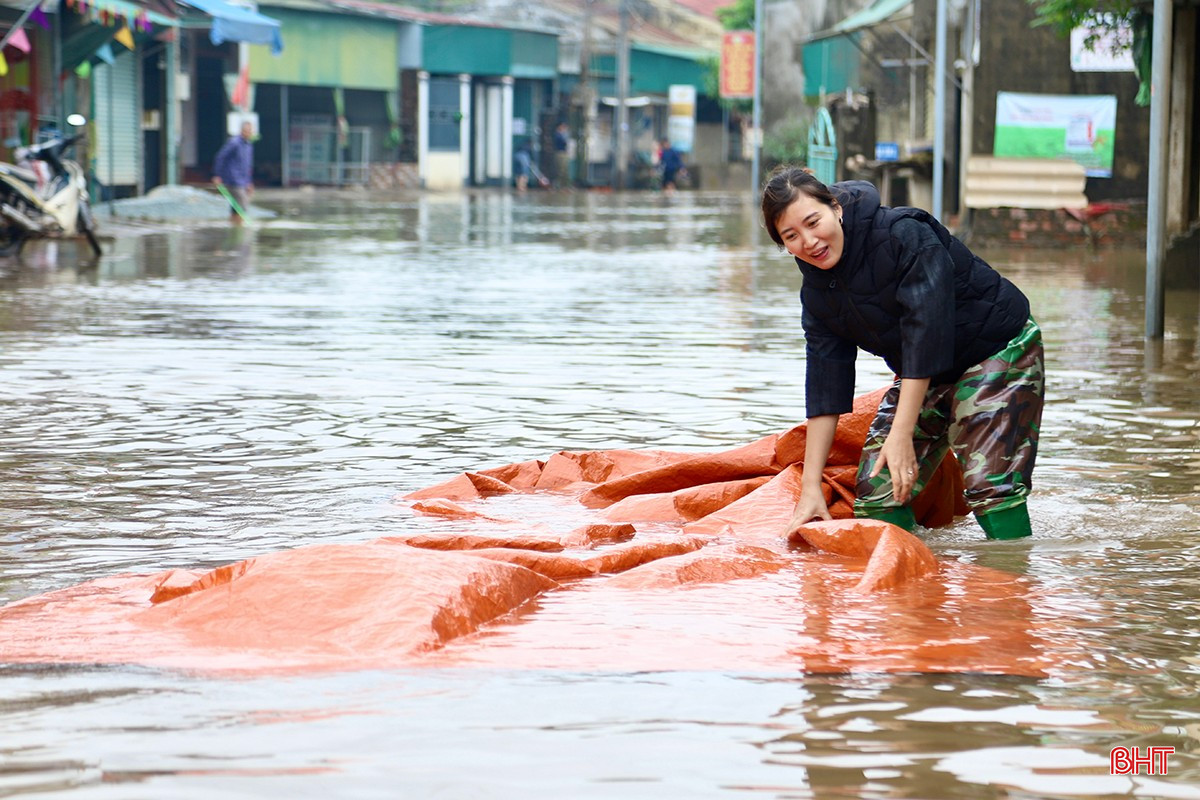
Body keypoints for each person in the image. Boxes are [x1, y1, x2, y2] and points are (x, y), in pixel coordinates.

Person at [761, 166, 1044, 540]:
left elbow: (926, 333)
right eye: (791, 236)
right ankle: (917, 588)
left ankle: (1010, 584)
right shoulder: (817, 292)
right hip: (926, 373)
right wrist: (810, 486)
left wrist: (902, 434)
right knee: (878, 492)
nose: (809, 241)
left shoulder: (904, 235)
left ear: (836, 208)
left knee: (990, 488)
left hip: (997, 348)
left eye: (814, 222)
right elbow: (826, 385)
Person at [212, 120, 255, 225]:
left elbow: (247, 165)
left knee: (235, 207)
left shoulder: (248, 146)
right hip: (233, 179)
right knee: (243, 205)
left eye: (250, 131)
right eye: (246, 130)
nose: (248, 133)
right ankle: (242, 234)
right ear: (242, 131)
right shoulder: (234, 143)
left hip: (243, 181)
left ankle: (234, 226)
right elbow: (220, 157)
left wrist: (248, 182)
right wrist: (217, 175)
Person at [553, 122, 570, 189]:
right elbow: (564, 142)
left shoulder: (561, 134)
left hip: (563, 153)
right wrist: (565, 133)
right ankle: (559, 186)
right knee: (560, 170)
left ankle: (564, 185)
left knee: (565, 170)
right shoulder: (558, 134)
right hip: (560, 153)